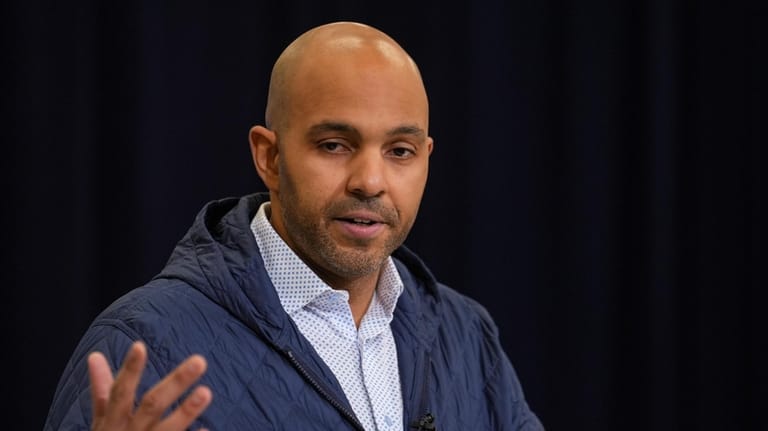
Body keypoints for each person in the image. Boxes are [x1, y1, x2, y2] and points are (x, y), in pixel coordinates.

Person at [44, 21, 543, 431]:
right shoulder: (142, 345)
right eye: (334, 145)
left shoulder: (467, 336)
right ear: (270, 156)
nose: (370, 181)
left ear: (427, 160)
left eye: (400, 152)